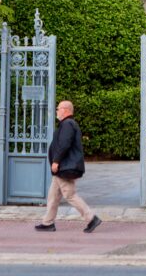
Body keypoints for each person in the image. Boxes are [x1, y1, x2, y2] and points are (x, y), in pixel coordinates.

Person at [35, 100, 101, 234]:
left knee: (69, 194)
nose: (57, 111)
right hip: (63, 167)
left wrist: (56, 161)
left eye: (58, 109)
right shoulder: (67, 124)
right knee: (53, 196)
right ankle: (48, 223)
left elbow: (64, 144)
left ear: (65, 110)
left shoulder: (68, 124)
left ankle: (91, 218)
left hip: (64, 166)